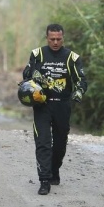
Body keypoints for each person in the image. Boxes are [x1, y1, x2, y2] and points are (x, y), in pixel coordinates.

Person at [22, 23, 87, 195]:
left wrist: (79, 92)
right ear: (47, 38)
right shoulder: (38, 54)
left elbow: (81, 79)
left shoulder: (72, 57)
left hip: (62, 105)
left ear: (63, 38)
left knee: (59, 144)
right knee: (43, 142)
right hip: (42, 105)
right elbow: (26, 75)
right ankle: (44, 180)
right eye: (52, 39)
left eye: (59, 39)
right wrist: (32, 75)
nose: (56, 42)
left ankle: (54, 170)